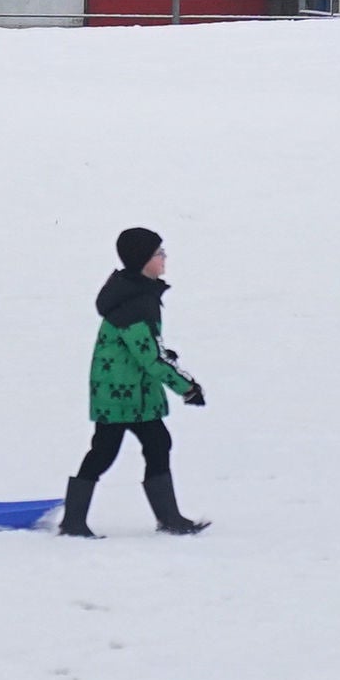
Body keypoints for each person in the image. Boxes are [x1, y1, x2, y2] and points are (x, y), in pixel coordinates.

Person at [61, 225, 207, 537]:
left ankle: (169, 519)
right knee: (103, 453)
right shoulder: (136, 303)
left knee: (157, 444)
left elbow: (144, 348)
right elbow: (149, 358)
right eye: (159, 254)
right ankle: (73, 522)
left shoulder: (136, 293)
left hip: (136, 395)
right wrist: (187, 387)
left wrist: (162, 352)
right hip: (120, 397)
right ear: (143, 260)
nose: (164, 258)